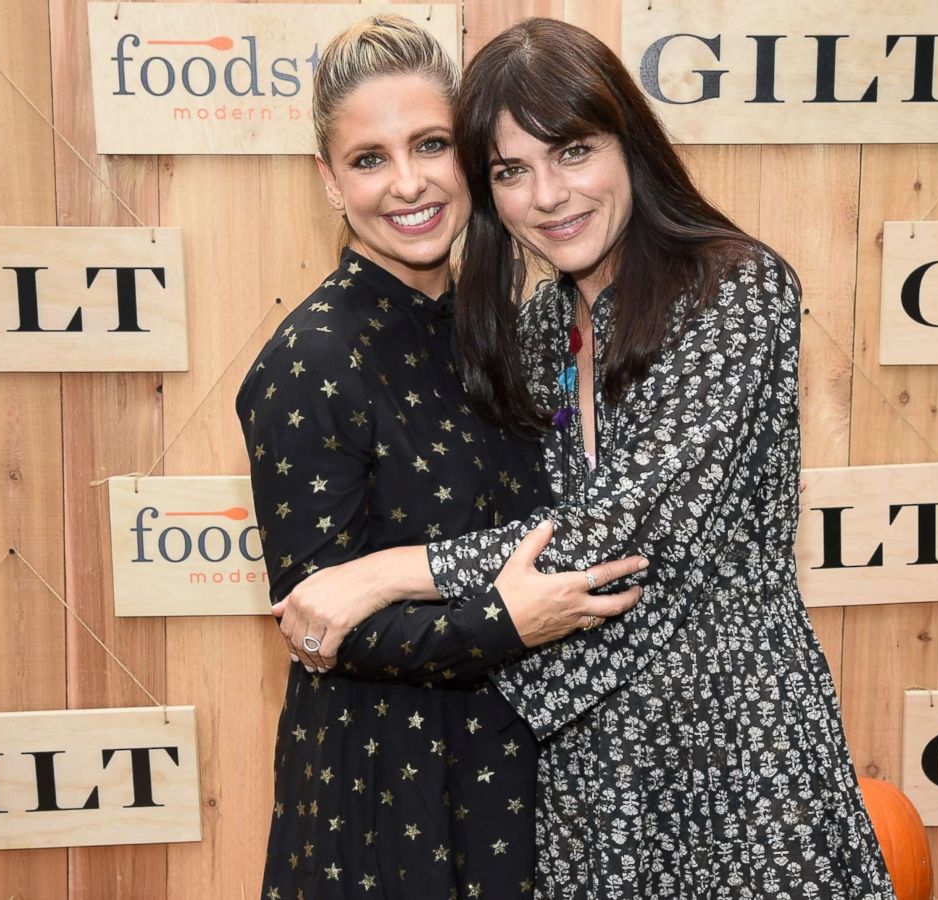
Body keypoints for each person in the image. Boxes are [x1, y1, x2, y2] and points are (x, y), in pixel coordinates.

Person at [273, 17, 897, 900]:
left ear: (628, 144)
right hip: (586, 769)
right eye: (512, 171)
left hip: (737, 746)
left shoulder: (736, 291)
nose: (550, 196)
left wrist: (382, 573)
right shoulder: (531, 334)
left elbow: (621, 530)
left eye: (572, 153)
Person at [235, 16, 643, 900]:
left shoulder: (504, 331)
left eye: (430, 145)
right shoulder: (309, 361)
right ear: (329, 182)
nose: (409, 183)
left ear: (468, 157)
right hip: (385, 792)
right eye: (370, 158)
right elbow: (322, 623)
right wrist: (504, 623)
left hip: (524, 773)